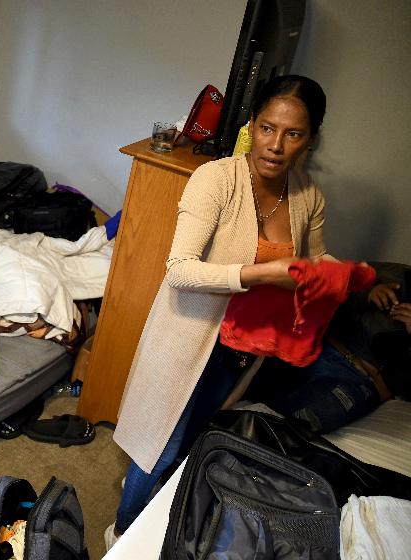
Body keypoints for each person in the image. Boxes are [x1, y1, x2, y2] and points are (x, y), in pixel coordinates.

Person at [107, 75, 333, 544]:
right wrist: (256, 274)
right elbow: (180, 269)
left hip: (243, 347)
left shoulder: (307, 194)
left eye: (293, 134)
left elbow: (313, 257)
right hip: (189, 336)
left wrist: (341, 273)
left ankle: (159, 533)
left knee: (197, 444)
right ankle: (124, 535)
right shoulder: (216, 180)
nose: (276, 145)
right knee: (161, 448)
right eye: (267, 128)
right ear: (251, 125)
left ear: (311, 139)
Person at [244, 263, 411, 433]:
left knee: (308, 418)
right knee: (246, 367)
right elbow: (328, 283)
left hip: (360, 380)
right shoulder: (397, 277)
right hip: (320, 345)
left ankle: (244, 437)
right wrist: (367, 292)